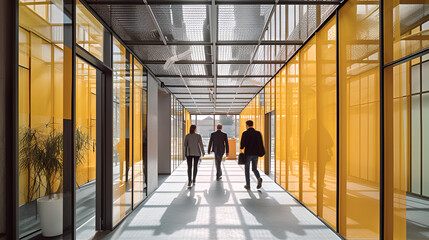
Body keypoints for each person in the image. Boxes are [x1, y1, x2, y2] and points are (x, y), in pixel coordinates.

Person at [240, 120, 265, 190]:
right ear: (252, 125)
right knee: (254, 168)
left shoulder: (245, 133)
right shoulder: (258, 133)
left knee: (247, 169)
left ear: (247, 125)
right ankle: (258, 178)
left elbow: (242, 145)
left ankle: (248, 184)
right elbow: (260, 143)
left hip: (248, 153)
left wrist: (242, 147)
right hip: (256, 154)